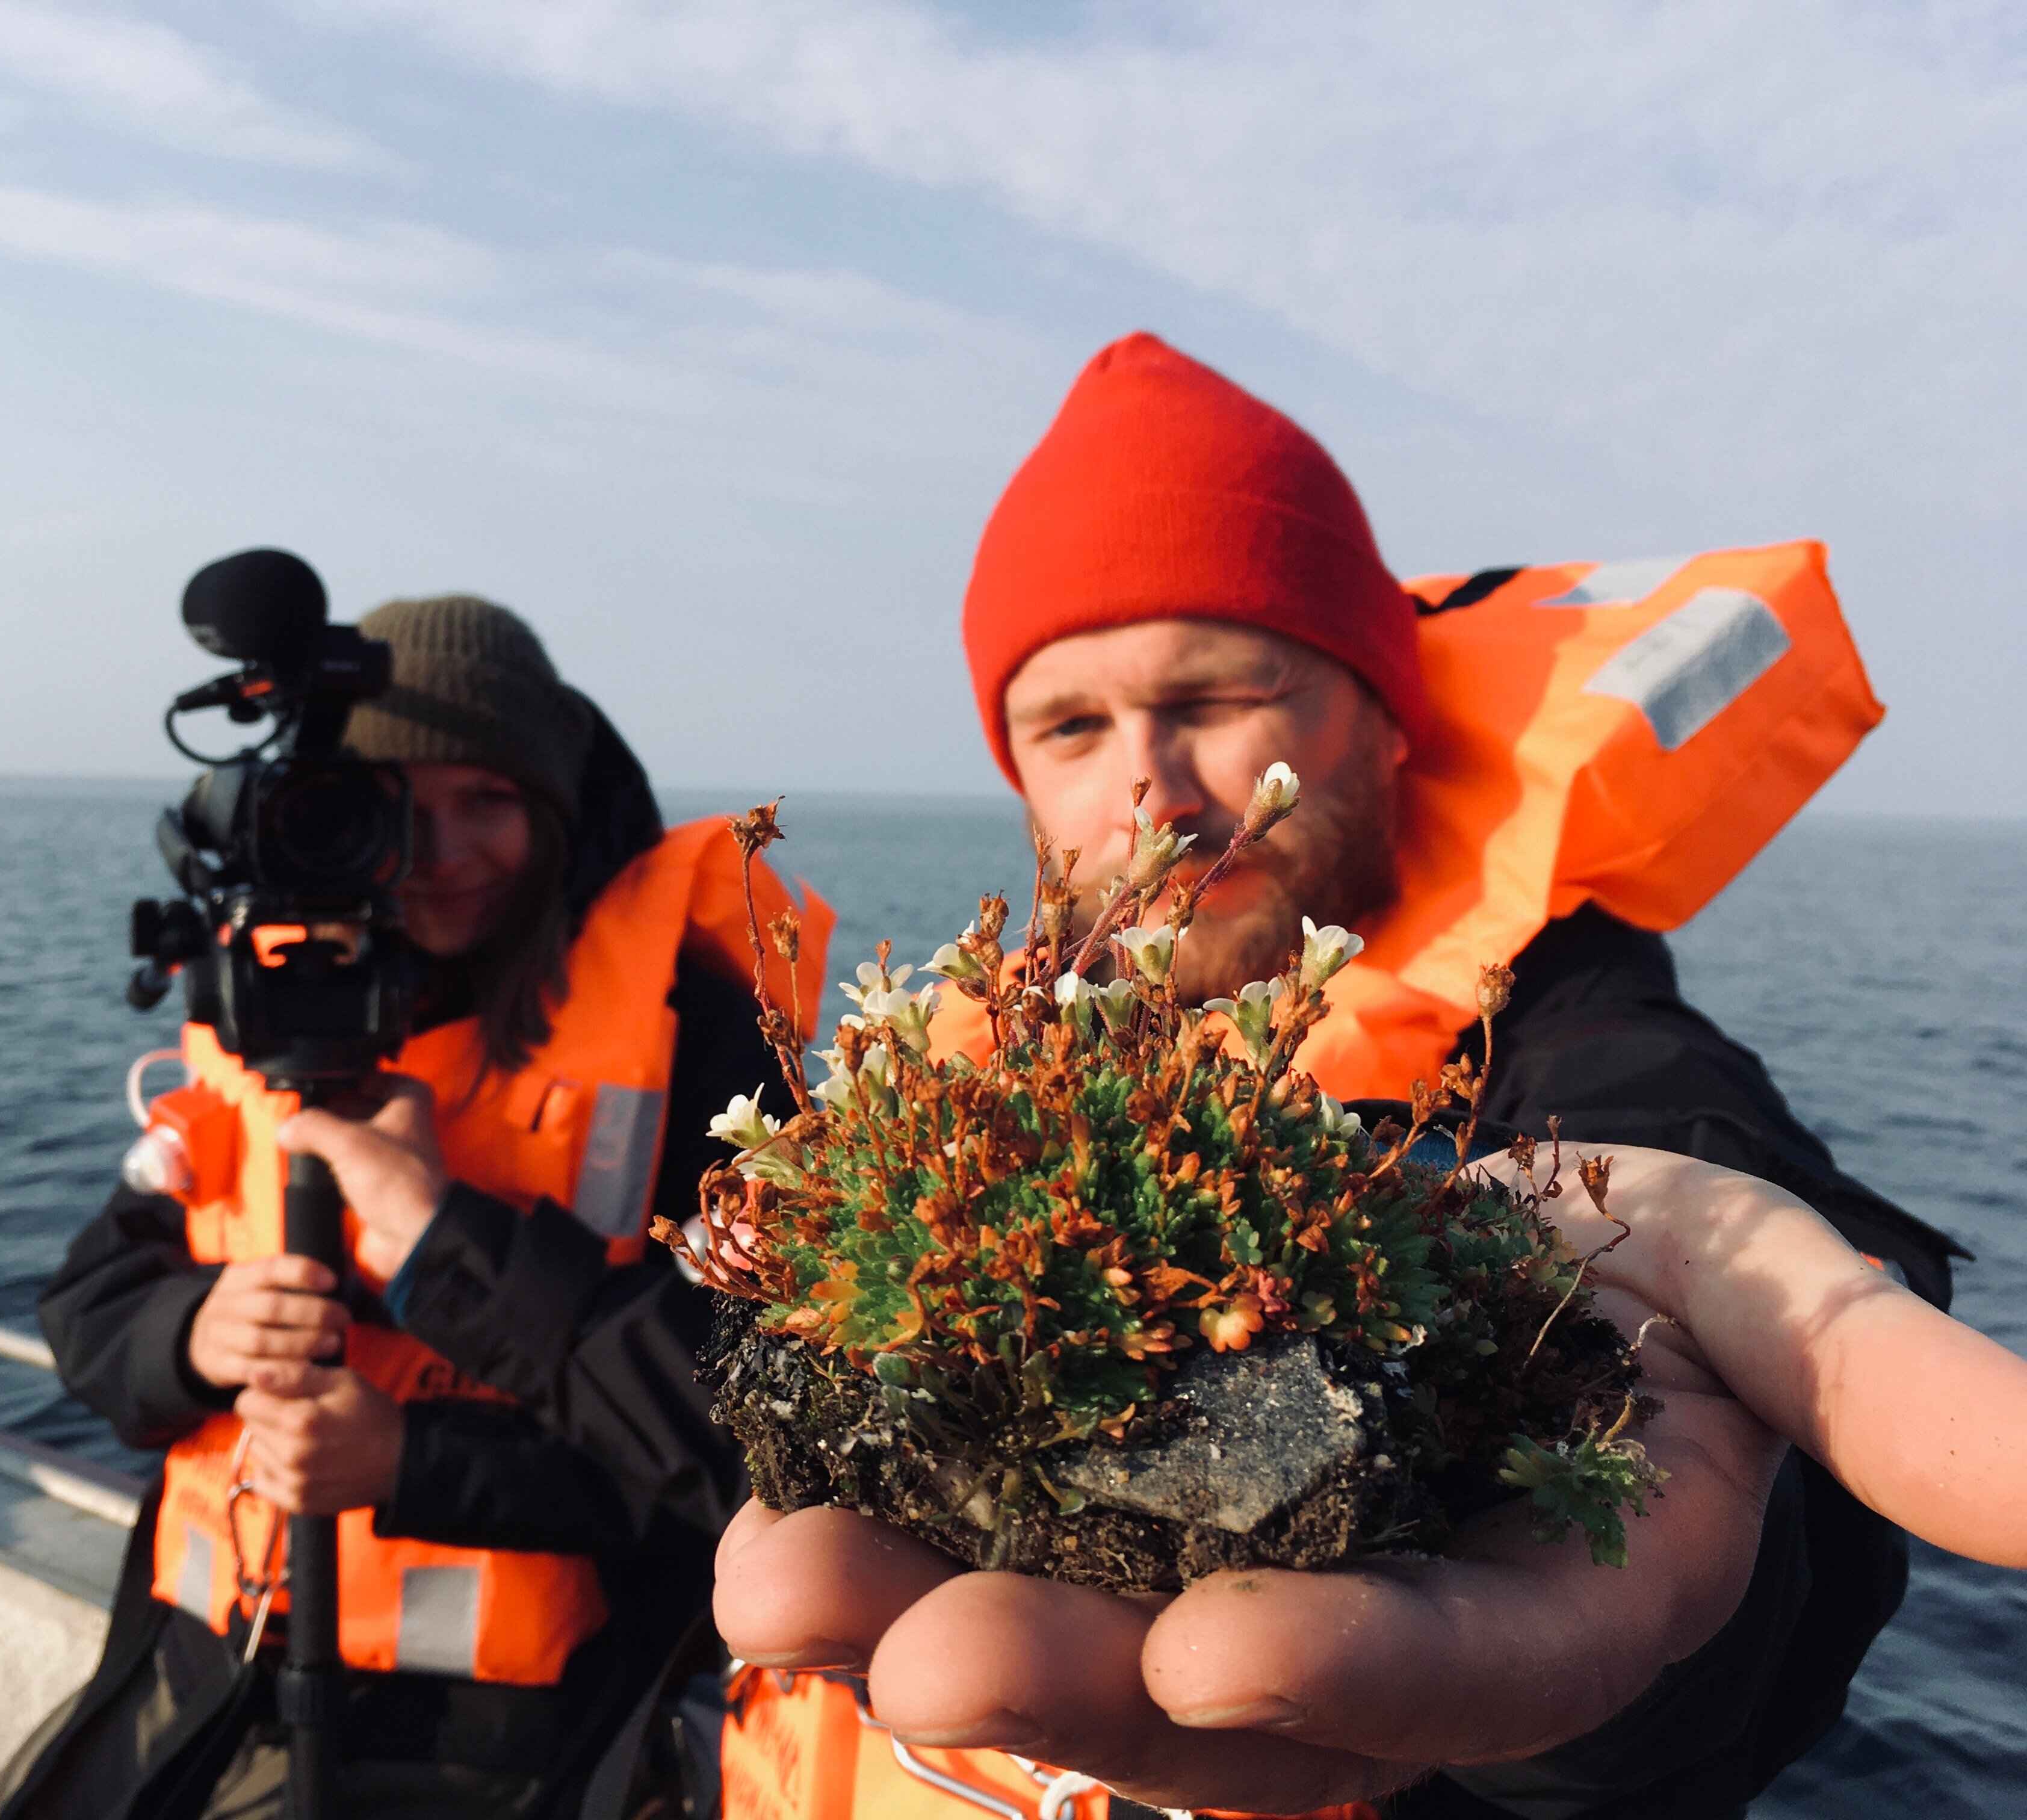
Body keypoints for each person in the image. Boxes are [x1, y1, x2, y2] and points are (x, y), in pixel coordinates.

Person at [711, 334, 2027, 1819]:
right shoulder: (963, 1094)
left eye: (1218, 697)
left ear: (1385, 724)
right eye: (1070, 725)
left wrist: (1634, 1600)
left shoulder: (1576, 1054)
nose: (1154, 786)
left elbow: (1763, 1572)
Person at [0, 594, 824, 1820]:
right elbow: (90, 1311)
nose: (447, 853)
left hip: (515, 1734)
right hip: (206, 1675)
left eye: (490, 801)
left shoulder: (694, 1037)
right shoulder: (274, 1012)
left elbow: (749, 1447)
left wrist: (425, 1358)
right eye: (399, 811)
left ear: (557, 808)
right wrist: (196, 1331)